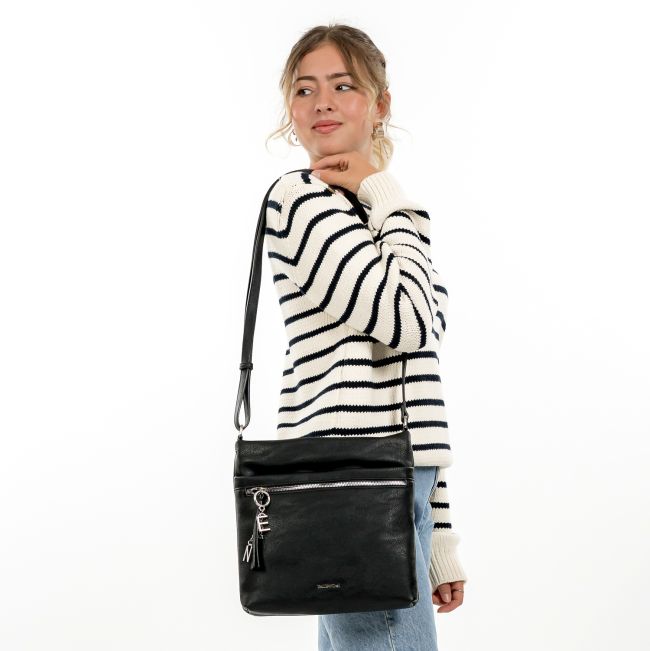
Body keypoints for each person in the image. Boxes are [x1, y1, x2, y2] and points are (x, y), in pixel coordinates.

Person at [264, 24, 468, 650]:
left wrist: (438, 537)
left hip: (386, 484)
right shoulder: (301, 201)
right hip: (352, 483)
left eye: (343, 86)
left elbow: (416, 377)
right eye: (305, 89)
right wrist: (386, 190)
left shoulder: (373, 210)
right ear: (290, 110)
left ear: (380, 103)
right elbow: (408, 320)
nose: (322, 102)